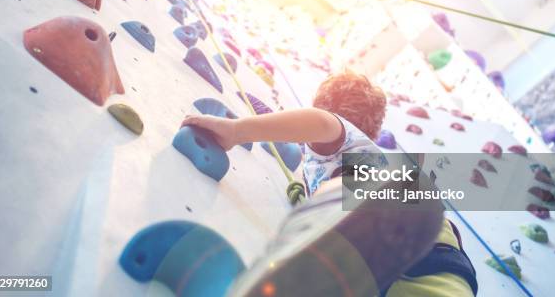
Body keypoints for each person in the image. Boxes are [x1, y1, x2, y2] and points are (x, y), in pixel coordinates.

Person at [181, 71, 477, 296]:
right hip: (441, 261)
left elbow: (322, 122)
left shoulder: (345, 135)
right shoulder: (365, 156)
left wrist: (236, 130)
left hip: (385, 226)